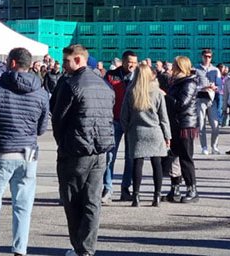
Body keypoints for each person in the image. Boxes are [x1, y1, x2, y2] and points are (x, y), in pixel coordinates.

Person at [0, 47, 49, 256]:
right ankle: (20, 249)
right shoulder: (41, 92)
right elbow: (42, 127)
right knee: (23, 205)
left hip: (0, 150)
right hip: (28, 152)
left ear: (14, 63)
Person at [51, 44, 114, 256]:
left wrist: (63, 143)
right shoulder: (104, 85)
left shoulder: (71, 84)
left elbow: (58, 118)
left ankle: (79, 247)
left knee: (72, 199)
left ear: (78, 59)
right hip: (100, 150)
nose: (63, 65)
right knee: (92, 200)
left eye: (66, 61)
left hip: (77, 150)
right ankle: (87, 248)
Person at [120, 62, 171, 207]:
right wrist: (167, 136)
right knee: (157, 165)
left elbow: (124, 116)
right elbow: (163, 117)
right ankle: (157, 197)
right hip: (155, 131)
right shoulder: (157, 92)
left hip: (137, 132)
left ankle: (136, 196)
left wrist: (128, 130)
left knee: (137, 164)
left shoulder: (131, 91)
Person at [163, 55, 200, 203]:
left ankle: (192, 189)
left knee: (185, 158)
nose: (172, 68)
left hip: (186, 124)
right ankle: (175, 188)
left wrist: (165, 97)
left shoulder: (189, 82)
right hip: (175, 124)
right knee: (173, 157)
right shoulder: (176, 82)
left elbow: (182, 103)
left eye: (174, 65)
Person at [103, 50, 138, 202]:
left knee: (130, 157)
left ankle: (126, 188)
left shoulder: (138, 77)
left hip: (132, 122)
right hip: (114, 120)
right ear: (123, 61)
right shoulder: (111, 76)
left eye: (134, 63)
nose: (132, 65)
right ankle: (107, 188)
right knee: (110, 156)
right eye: (129, 62)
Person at [195, 48, 222, 155]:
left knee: (215, 125)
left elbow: (220, 86)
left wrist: (215, 87)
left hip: (212, 99)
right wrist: (203, 87)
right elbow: (193, 85)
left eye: (209, 57)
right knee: (201, 124)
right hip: (201, 98)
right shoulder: (196, 69)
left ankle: (214, 146)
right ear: (202, 57)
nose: (207, 58)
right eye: (205, 56)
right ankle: (204, 147)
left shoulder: (216, 70)